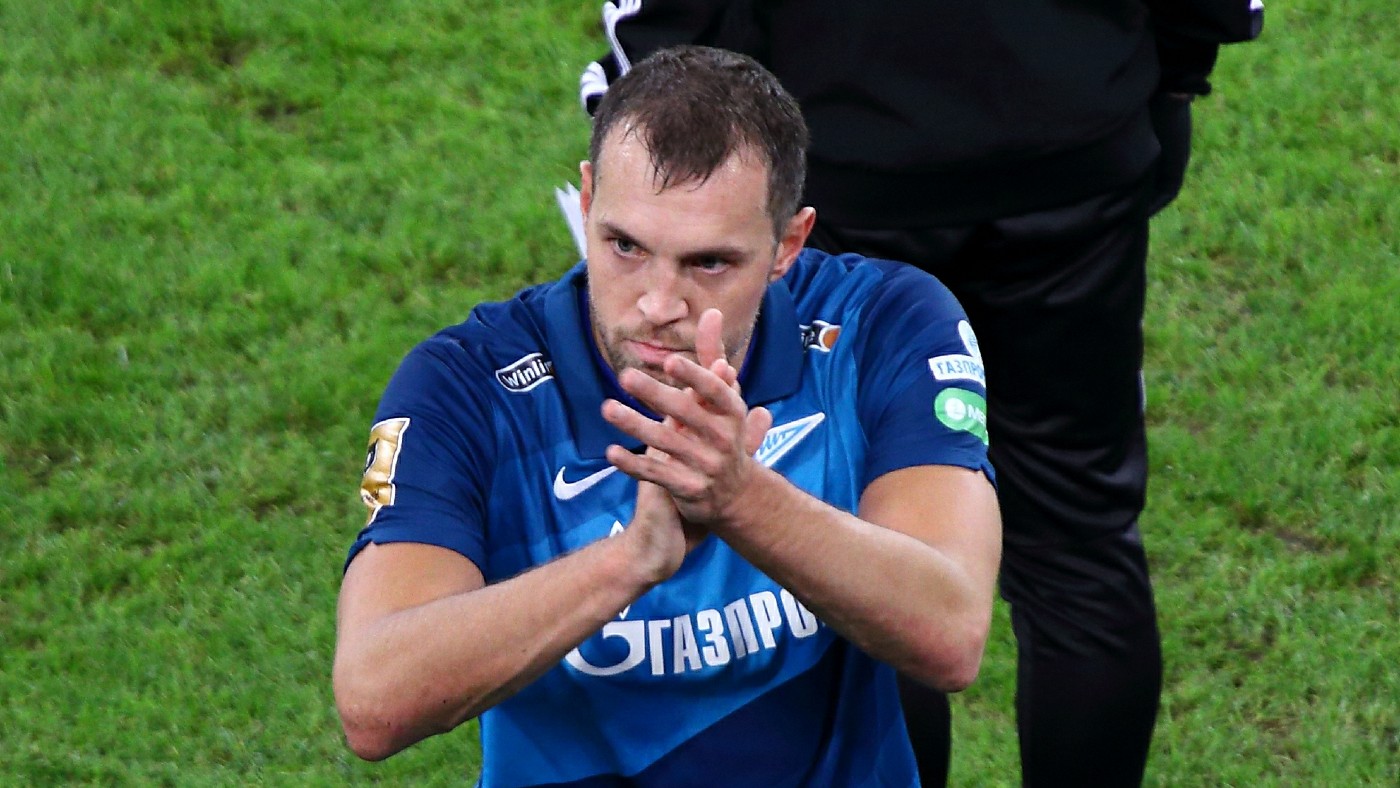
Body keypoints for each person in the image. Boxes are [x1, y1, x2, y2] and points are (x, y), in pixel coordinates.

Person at [579, 2, 1263, 786]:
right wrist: (1178, 74)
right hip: (1071, 141)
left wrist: (654, 113)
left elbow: (662, 21)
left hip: (846, 162)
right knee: (1079, 542)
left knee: (858, 541)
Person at [334, 45, 1002, 786]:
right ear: (588, 200)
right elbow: (374, 701)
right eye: (625, 246)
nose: (657, 304)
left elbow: (951, 633)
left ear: (787, 244)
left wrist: (741, 499)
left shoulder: (881, 326)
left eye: (708, 263)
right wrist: (631, 560)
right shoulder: (465, 385)